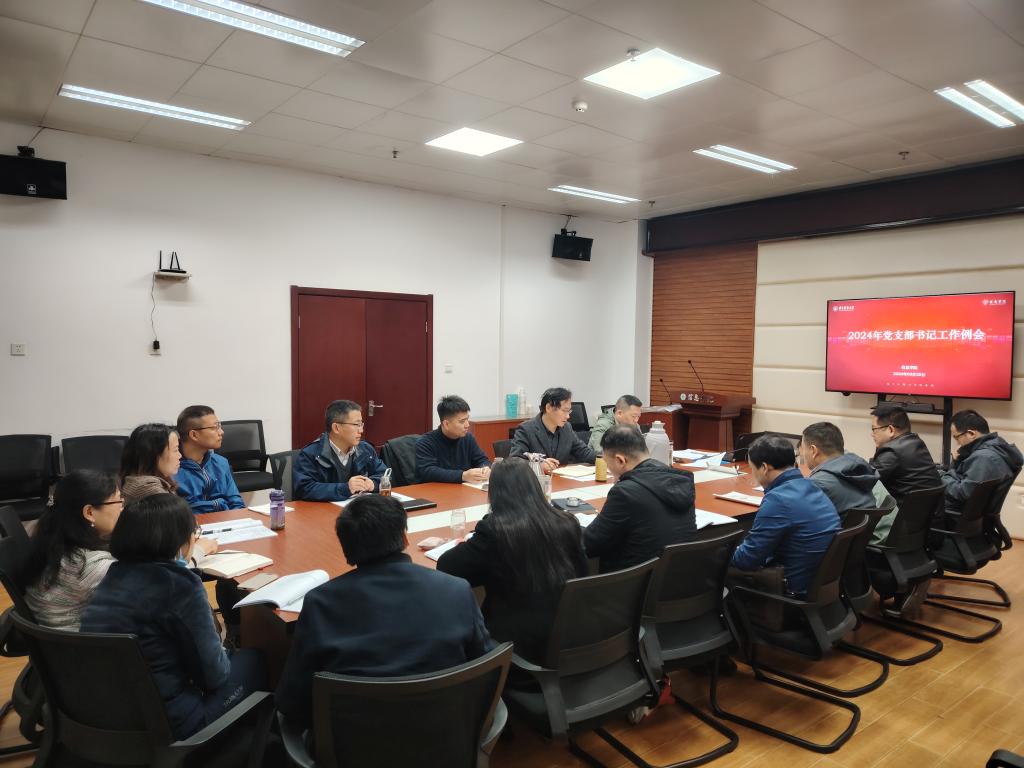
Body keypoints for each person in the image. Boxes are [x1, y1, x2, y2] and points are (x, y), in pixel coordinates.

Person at [275, 494, 493, 731]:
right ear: (405, 537)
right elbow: (485, 667)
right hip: (448, 736)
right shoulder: (456, 590)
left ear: (346, 549)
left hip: (349, 744)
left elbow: (291, 702)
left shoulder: (321, 603)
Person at [81, 494, 266, 740]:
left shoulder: (114, 573)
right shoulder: (179, 585)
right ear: (180, 540)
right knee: (256, 659)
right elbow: (214, 677)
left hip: (107, 715)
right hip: (173, 726)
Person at [436, 457, 587, 662]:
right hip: (571, 632)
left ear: (494, 494)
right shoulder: (567, 521)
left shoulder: (495, 531)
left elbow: (446, 566)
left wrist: (469, 545)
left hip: (516, 645)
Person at [731, 434, 840, 597]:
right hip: (821, 583)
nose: (753, 474)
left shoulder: (778, 500)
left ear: (764, 468)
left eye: (752, 468)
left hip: (792, 587)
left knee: (715, 565)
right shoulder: (811, 485)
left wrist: (721, 550)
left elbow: (746, 560)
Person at [583, 424, 696, 573]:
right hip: (678, 579)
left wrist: (568, 526)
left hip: (632, 583)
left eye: (607, 464)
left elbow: (590, 545)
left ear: (621, 460)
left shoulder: (625, 492)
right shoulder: (680, 482)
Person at [21, 470, 122, 631]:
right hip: (75, 643)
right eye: (118, 501)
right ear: (89, 512)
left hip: (43, 637)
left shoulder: (53, 541)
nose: (122, 508)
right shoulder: (95, 566)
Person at [799, 422, 898, 545]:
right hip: (858, 545)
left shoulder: (818, 484)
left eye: (803, 449)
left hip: (840, 550)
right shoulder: (858, 469)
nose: (802, 454)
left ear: (813, 450)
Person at [292, 400, 388, 501]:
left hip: (359, 507)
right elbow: (304, 489)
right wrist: (345, 488)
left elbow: (385, 475)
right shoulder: (310, 454)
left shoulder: (365, 449)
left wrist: (373, 483)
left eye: (361, 424)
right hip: (324, 509)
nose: (361, 430)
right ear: (336, 428)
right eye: (356, 425)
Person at [940, 409, 1022, 517]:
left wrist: (941, 478)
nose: (957, 442)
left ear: (971, 433)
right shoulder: (997, 450)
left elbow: (964, 493)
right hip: (969, 515)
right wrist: (956, 461)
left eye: (956, 437)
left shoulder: (984, 458)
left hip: (955, 516)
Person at [868, 403, 941, 507]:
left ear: (890, 430)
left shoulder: (891, 452)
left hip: (904, 514)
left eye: (874, 429)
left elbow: (867, 480)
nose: (872, 434)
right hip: (929, 513)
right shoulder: (916, 441)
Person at [174, 405, 244, 513]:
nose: (221, 432)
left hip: (226, 520)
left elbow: (236, 503)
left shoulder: (221, 462)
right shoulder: (172, 469)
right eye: (214, 427)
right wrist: (217, 505)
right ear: (194, 435)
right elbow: (179, 512)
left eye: (219, 426)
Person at [509, 387, 595, 472]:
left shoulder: (567, 428)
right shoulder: (526, 429)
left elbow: (583, 452)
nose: (568, 416)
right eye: (564, 410)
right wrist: (539, 466)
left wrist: (602, 458)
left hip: (560, 478)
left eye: (569, 411)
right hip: (536, 480)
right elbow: (515, 462)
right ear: (549, 408)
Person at [415, 395, 491, 484]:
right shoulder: (425, 442)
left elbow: (482, 459)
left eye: (467, 419)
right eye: (462, 421)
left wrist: (485, 468)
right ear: (446, 424)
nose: (467, 425)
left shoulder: (468, 438)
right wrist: (462, 476)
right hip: (435, 490)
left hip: (464, 489)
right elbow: (428, 471)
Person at [120, 423, 182, 505]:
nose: (180, 455)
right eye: (175, 450)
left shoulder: (145, 482)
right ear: (154, 454)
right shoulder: (147, 489)